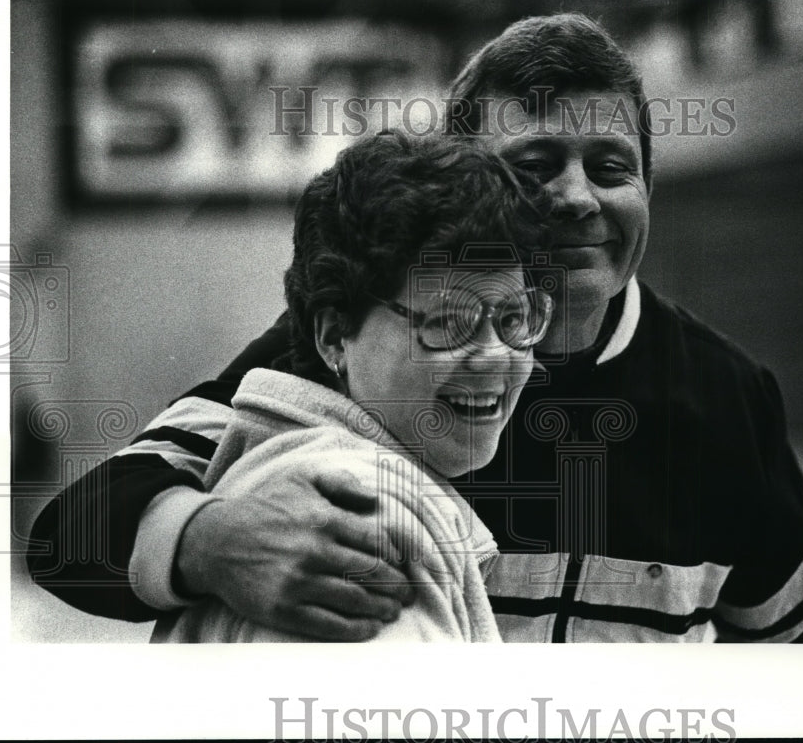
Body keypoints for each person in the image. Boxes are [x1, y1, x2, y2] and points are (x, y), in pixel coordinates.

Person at [28, 13, 803, 642]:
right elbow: (71, 536)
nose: (576, 198)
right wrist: (206, 540)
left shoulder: (728, 393)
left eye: (610, 167)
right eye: (533, 167)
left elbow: (802, 632)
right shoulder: (351, 360)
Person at [151, 131, 552, 642]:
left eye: (515, 318)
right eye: (450, 322)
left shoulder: (289, 474)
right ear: (334, 336)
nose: (496, 353)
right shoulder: (359, 516)